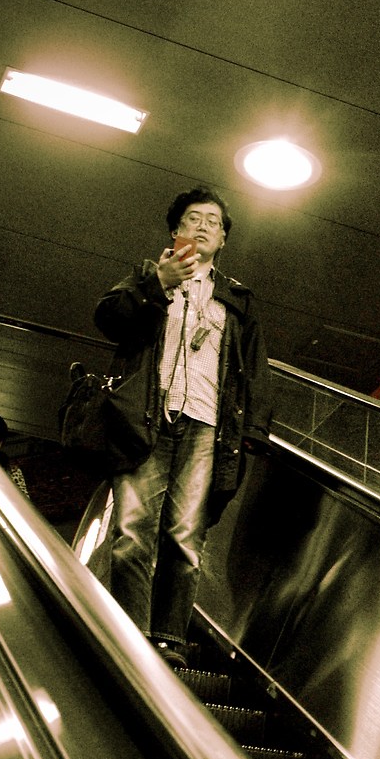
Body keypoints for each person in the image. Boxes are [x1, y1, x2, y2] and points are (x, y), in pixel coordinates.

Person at [93, 187, 265, 661]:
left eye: (215, 221)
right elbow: (107, 319)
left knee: (186, 536)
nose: (205, 225)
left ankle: (168, 637)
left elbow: (255, 370)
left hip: (207, 423)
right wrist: (158, 284)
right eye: (194, 218)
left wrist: (254, 433)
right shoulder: (146, 277)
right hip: (145, 419)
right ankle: (128, 633)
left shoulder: (238, 300)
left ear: (223, 239)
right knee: (131, 531)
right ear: (176, 231)